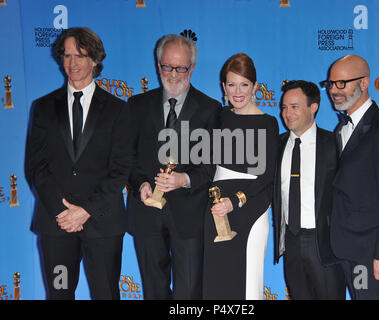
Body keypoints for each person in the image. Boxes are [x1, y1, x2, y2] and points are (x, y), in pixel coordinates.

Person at [28, 27, 132, 300]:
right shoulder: (43, 107)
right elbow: (36, 166)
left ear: (95, 60)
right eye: (67, 55)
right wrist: (64, 213)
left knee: (106, 294)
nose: (72, 63)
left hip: (103, 225)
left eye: (80, 56)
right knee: (60, 294)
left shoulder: (117, 109)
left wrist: (86, 210)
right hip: (57, 225)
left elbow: (121, 169)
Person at [127, 34, 221, 300]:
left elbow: (212, 164)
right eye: (168, 66)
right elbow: (126, 159)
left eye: (181, 68)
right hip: (146, 214)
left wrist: (185, 179)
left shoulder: (210, 109)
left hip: (190, 216)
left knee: (190, 293)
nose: (174, 74)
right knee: (153, 291)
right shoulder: (136, 105)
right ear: (158, 66)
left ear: (192, 68)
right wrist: (140, 184)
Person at [322, 54, 379, 300]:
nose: (334, 91)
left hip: (368, 253)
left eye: (342, 83)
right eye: (331, 83)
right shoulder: (342, 127)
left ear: (364, 82)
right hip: (342, 246)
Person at [202, 53, 279, 300]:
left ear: (255, 87)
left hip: (251, 209)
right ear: (223, 86)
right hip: (215, 208)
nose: (238, 91)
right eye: (231, 84)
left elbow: (268, 176)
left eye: (244, 84)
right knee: (216, 282)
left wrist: (234, 201)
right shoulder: (218, 117)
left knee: (248, 284)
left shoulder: (268, 123)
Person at [271, 80, 345, 299]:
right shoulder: (276, 145)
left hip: (324, 243)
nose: (287, 113)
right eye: (284, 107)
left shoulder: (335, 144)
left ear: (314, 107)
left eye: (294, 106)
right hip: (290, 242)